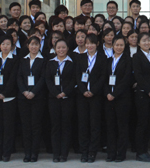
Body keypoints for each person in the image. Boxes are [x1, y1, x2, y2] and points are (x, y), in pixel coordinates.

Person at [76, 33, 107, 162]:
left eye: (92, 43)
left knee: (94, 124)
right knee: (83, 124)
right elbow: (77, 76)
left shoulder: (102, 58)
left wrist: (93, 91)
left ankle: (92, 152)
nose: (90, 46)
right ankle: (84, 151)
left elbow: (103, 76)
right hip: (82, 96)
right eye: (87, 43)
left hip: (96, 96)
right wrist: (84, 90)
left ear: (97, 44)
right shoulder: (80, 57)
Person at [0, 32, 19, 162]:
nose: (5, 46)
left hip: (9, 97)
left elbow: (13, 78)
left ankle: (6, 152)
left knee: (8, 126)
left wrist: (5, 93)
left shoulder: (15, 59)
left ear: (12, 46)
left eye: (8, 44)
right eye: (3, 44)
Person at [46, 38, 76, 162]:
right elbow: (48, 80)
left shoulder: (71, 63)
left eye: (63, 47)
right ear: (55, 49)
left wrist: (65, 92)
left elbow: (74, 80)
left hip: (67, 98)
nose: (61, 50)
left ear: (67, 49)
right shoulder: (50, 62)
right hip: (54, 99)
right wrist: (56, 93)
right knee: (55, 126)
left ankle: (64, 154)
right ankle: (56, 153)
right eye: (58, 48)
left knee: (66, 126)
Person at [17, 36, 47, 162]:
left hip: (37, 97)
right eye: (31, 44)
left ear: (40, 46)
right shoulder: (23, 60)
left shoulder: (43, 60)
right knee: (26, 126)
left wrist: (33, 92)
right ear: (28, 46)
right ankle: (27, 152)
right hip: (23, 97)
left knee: (36, 125)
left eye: (36, 44)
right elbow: (19, 77)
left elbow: (43, 78)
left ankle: (34, 152)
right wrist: (24, 91)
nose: (34, 47)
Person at [105, 36, 133, 162]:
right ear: (113, 46)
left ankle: (121, 154)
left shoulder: (128, 60)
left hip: (122, 98)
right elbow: (104, 78)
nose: (119, 47)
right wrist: (108, 93)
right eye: (117, 45)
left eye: (121, 45)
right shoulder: (108, 60)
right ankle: (111, 153)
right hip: (109, 98)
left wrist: (115, 94)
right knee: (110, 127)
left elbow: (126, 79)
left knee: (122, 127)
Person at [133, 33, 150, 162]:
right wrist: (148, 90)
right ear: (139, 43)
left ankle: (145, 150)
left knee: (149, 123)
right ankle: (140, 152)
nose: (147, 43)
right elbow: (138, 75)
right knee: (142, 123)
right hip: (143, 93)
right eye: (143, 41)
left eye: (148, 40)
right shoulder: (136, 56)